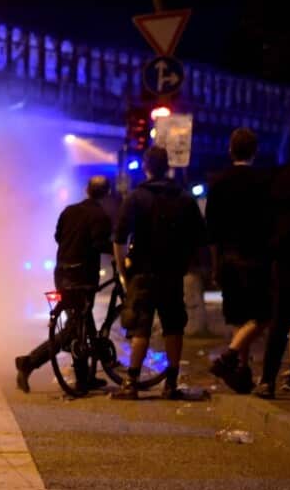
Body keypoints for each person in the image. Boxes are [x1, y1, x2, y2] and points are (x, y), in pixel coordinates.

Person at [111, 146, 207, 401]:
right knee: (174, 326)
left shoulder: (136, 197)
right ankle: (171, 383)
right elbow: (200, 237)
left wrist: (123, 270)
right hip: (172, 272)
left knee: (140, 327)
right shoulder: (184, 198)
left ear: (146, 167)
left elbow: (119, 238)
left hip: (142, 272)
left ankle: (131, 382)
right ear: (168, 167)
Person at [15, 176, 115, 393]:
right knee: (74, 328)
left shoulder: (69, 211)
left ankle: (84, 378)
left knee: (82, 323)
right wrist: (118, 251)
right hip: (83, 276)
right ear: (107, 193)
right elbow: (99, 244)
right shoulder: (100, 216)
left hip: (62, 272)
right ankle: (29, 362)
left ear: (86, 189)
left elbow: (58, 237)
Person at [206, 128, 271, 393]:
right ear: (255, 151)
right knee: (264, 315)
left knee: (237, 315)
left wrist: (214, 264)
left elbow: (211, 231)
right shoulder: (263, 182)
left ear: (230, 150)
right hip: (256, 258)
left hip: (227, 259)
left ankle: (242, 371)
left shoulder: (218, 182)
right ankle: (230, 357)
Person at [255, 137, 290, 398]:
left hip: (285, 257)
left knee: (279, 322)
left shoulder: (278, 178)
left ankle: (267, 380)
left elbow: (265, 221)